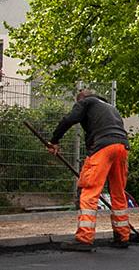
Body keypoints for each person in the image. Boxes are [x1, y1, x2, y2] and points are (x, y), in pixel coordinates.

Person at [47, 89, 131, 251]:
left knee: (89, 190)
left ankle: (84, 238)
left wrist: (54, 141)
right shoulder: (110, 107)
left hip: (102, 147)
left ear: (81, 100)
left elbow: (69, 119)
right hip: (122, 147)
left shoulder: (86, 102)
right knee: (118, 192)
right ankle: (122, 236)